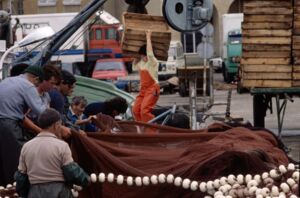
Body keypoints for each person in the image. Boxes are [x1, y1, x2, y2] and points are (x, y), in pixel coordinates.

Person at [15, 108, 89, 198]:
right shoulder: (61, 146)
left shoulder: (26, 146)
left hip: (34, 192)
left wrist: (26, 194)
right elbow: (72, 172)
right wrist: (85, 179)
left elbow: (21, 177)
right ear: (56, 125)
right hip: (59, 192)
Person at [0, 66, 47, 186]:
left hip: (3, 123)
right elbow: (41, 112)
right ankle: (15, 190)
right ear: (36, 79)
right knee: (16, 160)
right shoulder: (28, 85)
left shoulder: (6, 80)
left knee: (2, 161)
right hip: (8, 125)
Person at [23, 64, 62, 138]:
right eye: (52, 83)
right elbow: (23, 118)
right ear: (43, 80)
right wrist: (40, 131)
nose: (53, 87)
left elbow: (49, 116)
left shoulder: (46, 96)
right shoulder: (30, 94)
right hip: (27, 134)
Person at [132, 30, 160, 122]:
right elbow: (134, 65)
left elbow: (150, 53)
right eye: (141, 56)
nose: (142, 58)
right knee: (135, 110)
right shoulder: (141, 63)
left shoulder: (153, 62)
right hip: (143, 90)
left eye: (143, 55)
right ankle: (142, 129)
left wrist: (148, 37)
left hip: (152, 89)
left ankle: (152, 129)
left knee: (144, 111)